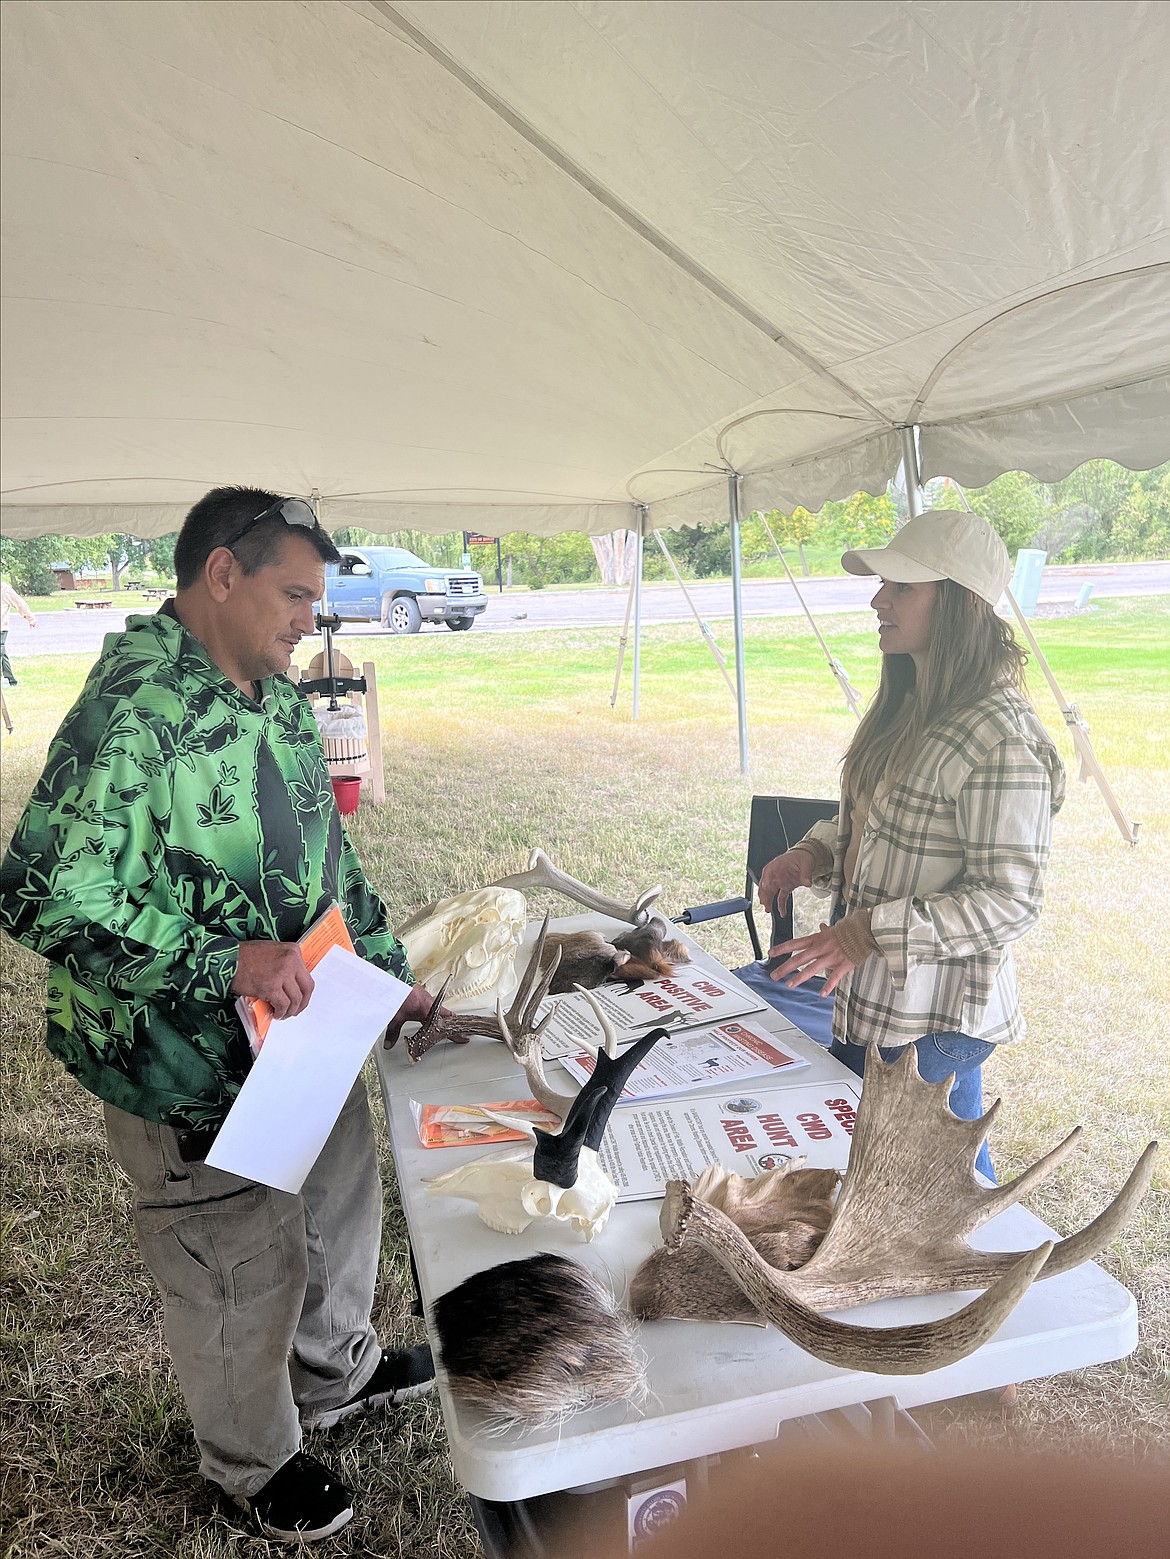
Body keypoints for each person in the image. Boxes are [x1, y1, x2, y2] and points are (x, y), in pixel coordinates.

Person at [0, 487, 456, 1544]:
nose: (311, 619)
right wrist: (224, 960)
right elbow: (39, 892)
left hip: (305, 1032)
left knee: (337, 1202)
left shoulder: (274, 694)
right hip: (183, 1063)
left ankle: (336, 1371)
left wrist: (389, 978)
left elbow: (332, 865)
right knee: (236, 1259)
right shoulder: (135, 710)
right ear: (221, 573)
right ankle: (251, 1458)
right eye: (294, 593)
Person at [747, 511, 1064, 1181]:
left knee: (926, 1182)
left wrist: (868, 933)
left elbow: (1011, 900)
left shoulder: (1002, 736)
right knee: (910, 1176)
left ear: (959, 603)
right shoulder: (911, 703)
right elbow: (872, 818)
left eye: (902, 586)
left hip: (935, 1019)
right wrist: (812, 853)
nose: (878, 599)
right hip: (874, 1011)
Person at [1, 576, 37, 684]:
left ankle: (8, 680)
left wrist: (30, 618)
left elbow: (19, 603)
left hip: (1, 628)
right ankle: (10, 679)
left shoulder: (4, 590)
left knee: (0, 651)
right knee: (2, 654)